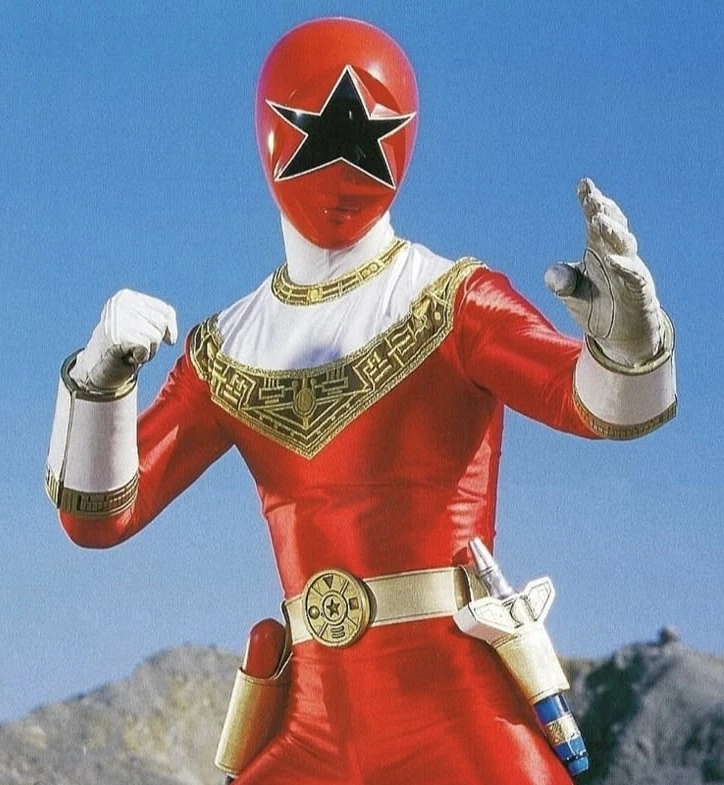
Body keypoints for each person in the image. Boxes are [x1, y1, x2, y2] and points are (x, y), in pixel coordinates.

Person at [45, 17, 676, 785]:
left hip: (462, 723)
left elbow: (591, 402)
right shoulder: (224, 348)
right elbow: (99, 515)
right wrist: (99, 378)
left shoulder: (453, 301)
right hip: (313, 733)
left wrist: (632, 347)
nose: (342, 159)